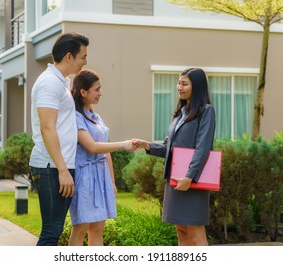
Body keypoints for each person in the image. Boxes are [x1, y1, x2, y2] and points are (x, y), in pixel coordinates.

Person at [133, 68, 216, 246]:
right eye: (179, 83)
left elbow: (203, 148)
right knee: (181, 230)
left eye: (184, 84)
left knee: (194, 229)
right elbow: (168, 148)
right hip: (175, 180)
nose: (179, 87)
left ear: (197, 87)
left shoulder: (206, 111)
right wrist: (147, 145)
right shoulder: (180, 113)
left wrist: (189, 177)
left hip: (192, 180)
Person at [29, 32, 89, 246]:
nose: (85, 61)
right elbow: (47, 128)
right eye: (83, 56)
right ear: (69, 57)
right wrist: (62, 169)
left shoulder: (62, 82)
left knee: (53, 231)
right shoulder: (49, 83)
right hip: (51, 166)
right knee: (51, 233)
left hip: (58, 165)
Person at [68, 69, 135, 246]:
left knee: (98, 228)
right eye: (97, 89)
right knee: (81, 228)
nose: (100, 93)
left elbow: (105, 152)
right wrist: (123, 144)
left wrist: (111, 181)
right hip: (85, 177)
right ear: (83, 92)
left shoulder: (96, 117)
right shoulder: (75, 117)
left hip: (101, 176)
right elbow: (92, 147)